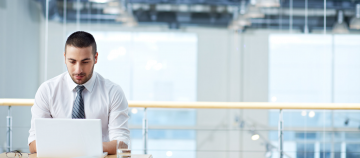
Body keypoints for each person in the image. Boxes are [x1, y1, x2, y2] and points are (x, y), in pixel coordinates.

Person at [28, 31, 130, 154]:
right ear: (64, 58)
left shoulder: (113, 92)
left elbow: (122, 144)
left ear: (95, 58)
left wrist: (78, 146)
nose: (78, 70)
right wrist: (83, 146)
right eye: (72, 61)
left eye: (85, 62)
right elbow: (34, 142)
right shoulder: (47, 90)